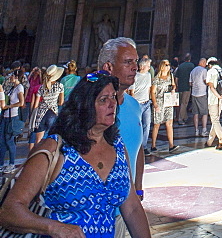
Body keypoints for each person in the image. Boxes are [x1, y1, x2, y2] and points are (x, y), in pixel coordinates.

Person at [0, 72, 151, 238]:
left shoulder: (118, 147)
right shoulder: (55, 148)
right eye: (103, 99)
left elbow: (132, 208)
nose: (112, 104)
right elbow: (9, 211)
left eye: (113, 97)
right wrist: (53, 228)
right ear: (84, 106)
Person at [98, 35, 145, 233]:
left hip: (124, 212)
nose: (136, 67)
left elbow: (138, 148)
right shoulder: (84, 106)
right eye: (128, 62)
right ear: (108, 67)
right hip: (91, 214)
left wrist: (138, 187)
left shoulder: (134, 106)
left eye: (136, 61)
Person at [150, 58, 178, 152]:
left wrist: (173, 88)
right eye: (166, 65)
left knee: (169, 123)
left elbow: (174, 85)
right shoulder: (156, 79)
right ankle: (153, 145)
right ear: (162, 66)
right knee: (157, 124)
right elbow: (153, 92)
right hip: (159, 101)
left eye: (169, 64)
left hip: (168, 101)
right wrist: (155, 104)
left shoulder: (171, 76)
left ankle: (171, 145)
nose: (168, 66)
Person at [34, 64, 65, 144]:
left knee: (38, 141)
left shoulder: (42, 87)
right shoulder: (59, 86)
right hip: (53, 112)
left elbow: (36, 104)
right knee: (51, 139)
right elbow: (61, 102)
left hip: (41, 113)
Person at [0, 68, 24, 169]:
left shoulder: (19, 88)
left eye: (12, 76)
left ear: (17, 77)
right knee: (2, 140)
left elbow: (21, 102)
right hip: (6, 116)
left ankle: (11, 163)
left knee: (10, 141)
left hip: (12, 116)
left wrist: (9, 106)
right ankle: (1, 163)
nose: (10, 77)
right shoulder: (12, 87)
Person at [128, 57, 152, 153]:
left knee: (147, 124)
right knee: (137, 125)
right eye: (148, 66)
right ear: (142, 66)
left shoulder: (149, 75)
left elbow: (149, 88)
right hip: (137, 104)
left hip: (146, 103)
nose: (149, 68)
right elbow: (131, 92)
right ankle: (136, 145)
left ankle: (144, 146)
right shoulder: (135, 76)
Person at [205, 56, 222, 150]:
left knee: (214, 120)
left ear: (210, 65)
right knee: (216, 119)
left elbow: (211, 86)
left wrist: (217, 96)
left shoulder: (211, 72)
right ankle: (209, 141)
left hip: (214, 98)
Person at [189, 57, 208, 137]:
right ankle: (204, 130)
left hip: (194, 93)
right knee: (204, 113)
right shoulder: (204, 70)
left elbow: (190, 83)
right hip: (202, 93)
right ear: (203, 62)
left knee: (195, 113)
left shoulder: (193, 70)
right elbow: (205, 81)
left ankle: (196, 130)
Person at [174, 52, 194, 125]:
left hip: (180, 86)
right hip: (187, 86)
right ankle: (180, 118)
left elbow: (176, 78)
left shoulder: (180, 66)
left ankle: (185, 117)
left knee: (180, 103)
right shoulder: (191, 65)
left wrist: (176, 86)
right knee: (184, 103)